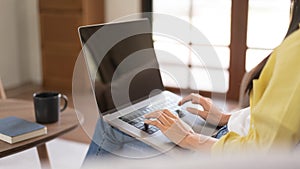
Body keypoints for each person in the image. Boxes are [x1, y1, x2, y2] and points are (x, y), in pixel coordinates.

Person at [83, 0, 300, 161]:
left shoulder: (296, 48)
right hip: (228, 136)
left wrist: (190, 139)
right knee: (162, 116)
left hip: (225, 153)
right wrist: (225, 117)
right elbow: (283, 119)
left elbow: (264, 153)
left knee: (109, 124)